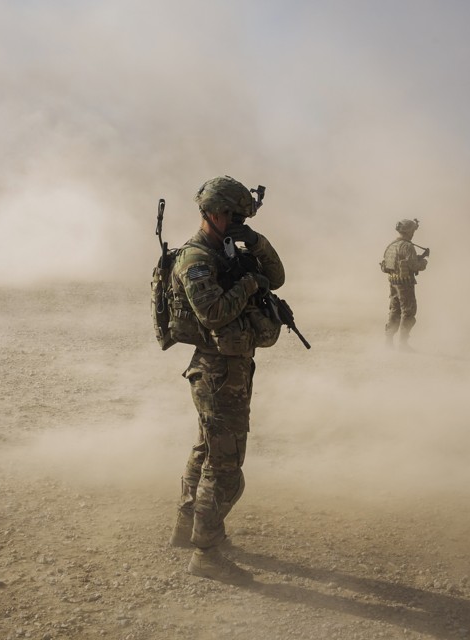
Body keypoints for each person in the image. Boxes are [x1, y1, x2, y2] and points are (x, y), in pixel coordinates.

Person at [167, 176, 285, 585]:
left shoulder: (228, 248)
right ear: (216, 213)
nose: (237, 222)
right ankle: (207, 554)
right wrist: (250, 283)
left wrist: (255, 240)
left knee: (206, 451)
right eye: (234, 216)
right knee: (226, 466)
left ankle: (188, 530)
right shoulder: (196, 257)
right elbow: (214, 313)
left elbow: (279, 276)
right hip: (217, 371)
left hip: (231, 368)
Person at [381, 218, 428, 351]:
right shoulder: (407, 246)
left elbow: (392, 264)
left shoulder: (391, 245)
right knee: (408, 312)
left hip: (393, 282)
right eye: (412, 230)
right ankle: (403, 344)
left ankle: (388, 341)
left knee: (394, 310)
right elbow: (413, 266)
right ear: (408, 232)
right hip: (405, 284)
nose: (413, 233)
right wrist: (423, 262)